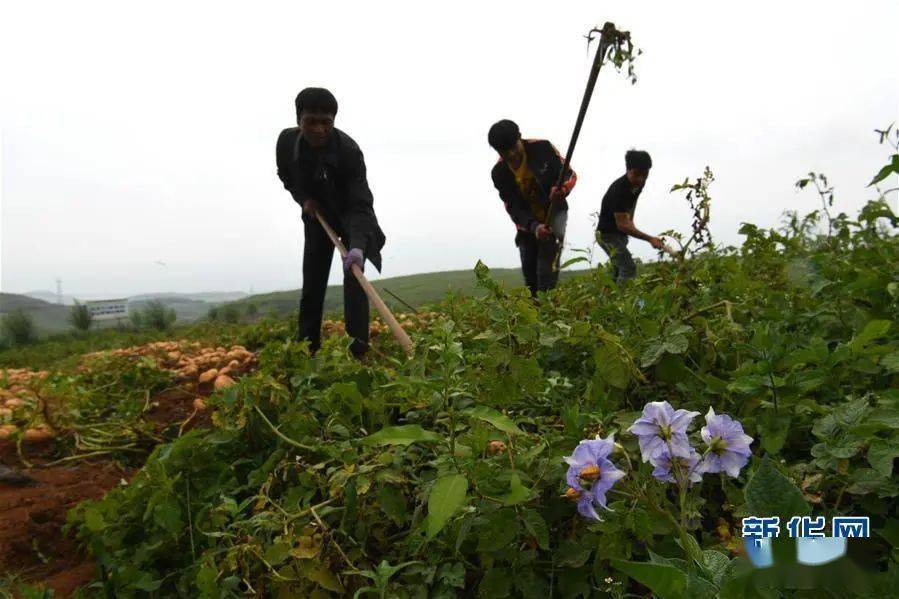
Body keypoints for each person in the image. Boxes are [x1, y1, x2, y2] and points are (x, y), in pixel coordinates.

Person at [276, 87, 385, 358]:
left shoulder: (349, 152)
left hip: (351, 219)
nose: (319, 129)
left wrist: (357, 246)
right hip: (318, 220)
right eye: (311, 121)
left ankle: (357, 355)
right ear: (299, 120)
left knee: (356, 283)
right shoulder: (287, 143)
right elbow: (286, 176)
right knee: (312, 284)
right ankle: (308, 352)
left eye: (326, 122)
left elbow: (360, 204)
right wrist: (304, 199)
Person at [488, 120, 577, 296]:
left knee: (546, 271)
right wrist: (534, 227)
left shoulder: (543, 148)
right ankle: (536, 312)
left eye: (514, 147)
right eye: (505, 152)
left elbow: (568, 173)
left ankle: (549, 310)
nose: (512, 154)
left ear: (520, 138)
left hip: (555, 215)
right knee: (531, 278)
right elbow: (513, 207)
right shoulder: (499, 173)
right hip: (527, 225)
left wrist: (562, 189)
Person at [596, 150, 664, 284]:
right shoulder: (619, 189)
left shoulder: (639, 183)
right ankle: (623, 304)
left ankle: (608, 300)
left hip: (619, 234)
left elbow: (632, 203)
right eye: (637, 174)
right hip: (606, 235)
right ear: (628, 170)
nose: (641, 179)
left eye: (645, 175)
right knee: (628, 269)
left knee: (617, 271)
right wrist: (650, 239)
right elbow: (622, 225)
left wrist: (630, 220)